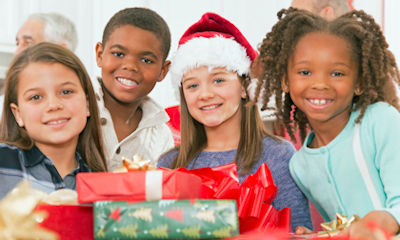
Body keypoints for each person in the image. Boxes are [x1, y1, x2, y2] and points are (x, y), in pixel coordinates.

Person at [157, 12, 312, 232]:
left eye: (218, 80)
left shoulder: (278, 155)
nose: (205, 94)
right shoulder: (168, 165)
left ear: (244, 86)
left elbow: (299, 231)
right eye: (192, 85)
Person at [254, 8, 400, 239]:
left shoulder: (381, 121)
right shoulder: (300, 166)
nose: (320, 83)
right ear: (285, 80)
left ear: (359, 83)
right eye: (305, 71)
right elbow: (342, 227)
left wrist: (383, 220)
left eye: (337, 74)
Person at [0, 42, 107, 199]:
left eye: (66, 92)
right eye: (36, 97)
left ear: (87, 104)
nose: (53, 105)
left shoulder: (102, 185)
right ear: (18, 114)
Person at [95, 8, 173, 171]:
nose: (130, 66)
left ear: (163, 71)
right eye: (118, 54)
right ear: (100, 55)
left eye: (146, 60)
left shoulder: (161, 135)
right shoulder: (75, 107)